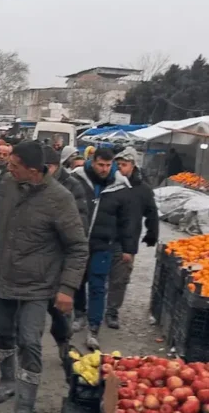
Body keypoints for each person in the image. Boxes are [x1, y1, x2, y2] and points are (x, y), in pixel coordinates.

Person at [0, 141, 89, 413]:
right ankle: (7, 379)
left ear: (33, 170)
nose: (8, 168)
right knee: (3, 334)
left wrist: (67, 288)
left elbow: (78, 247)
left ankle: (25, 403)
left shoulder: (60, 198)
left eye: (14, 165)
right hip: (3, 278)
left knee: (30, 342)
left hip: (38, 286)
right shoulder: (7, 185)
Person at [71, 148, 136, 350]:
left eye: (108, 165)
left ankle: (93, 328)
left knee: (99, 285)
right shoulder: (77, 180)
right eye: (101, 164)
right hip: (79, 242)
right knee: (78, 281)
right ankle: (80, 313)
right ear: (92, 161)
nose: (104, 169)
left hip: (104, 244)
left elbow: (128, 220)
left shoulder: (121, 186)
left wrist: (128, 248)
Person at [43, 145, 89, 378]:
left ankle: (64, 343)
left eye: (46, 167)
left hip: (59, 262)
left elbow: (78, 229)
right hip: (33, 264)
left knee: (59, 312)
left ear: (55, 166)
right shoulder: (29, 184)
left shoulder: (72, 187)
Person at [106, 147, 158, 329]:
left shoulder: (142, 190)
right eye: (118, 164)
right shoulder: (110, 184)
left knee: (120, 278)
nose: (120, 168)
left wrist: (152, 234)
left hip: (126, 241)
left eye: (124, 165)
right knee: (97, 275)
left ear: (133, 166)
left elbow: (152, 213)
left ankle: (112, 310)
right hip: (105, 237)